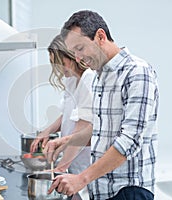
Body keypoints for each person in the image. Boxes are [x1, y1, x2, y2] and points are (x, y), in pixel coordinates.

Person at [43, 10, 159, 200]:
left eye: (80, 48)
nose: (78, 59)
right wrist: (67, 141)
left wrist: (81, 179)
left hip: (129, 191)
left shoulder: (137, 72)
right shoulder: (100, 77)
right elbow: (101, 130)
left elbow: (130, 141)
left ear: (100, 36)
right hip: (103, 190)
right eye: (73, 53)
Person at [30, 34, 96, 199]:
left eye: (60, 62)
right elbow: (67, 114)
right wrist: (46, 131)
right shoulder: (71, 80)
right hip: (73, 162)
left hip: (84, 165)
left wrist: (60, 168)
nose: (58, 68)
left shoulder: (88, 79)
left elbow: (82, 129)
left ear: (71, 56)